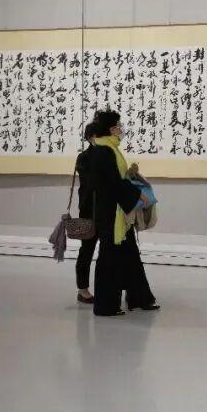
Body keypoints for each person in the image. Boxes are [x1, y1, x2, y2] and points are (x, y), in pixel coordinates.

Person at [86, 110, 158, 317]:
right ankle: (105, 306)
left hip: (116, 214)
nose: (121, 129)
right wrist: (138, 194)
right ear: (111, 129)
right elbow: (114, 184)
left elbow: (118, 179)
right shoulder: (104, 151)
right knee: (109, 259)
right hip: (111, 215)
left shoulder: (109, 149)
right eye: (118, 126)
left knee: (131, 256)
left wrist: (132, 177)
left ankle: (139, 299)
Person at [74, 122, 98, 305]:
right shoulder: (83, 157)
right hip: (88, 210)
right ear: (90, 138)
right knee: (87, 250)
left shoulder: (109, 155)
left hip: (107, 211)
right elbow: (91, 182)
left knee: (110, 251)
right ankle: (83, 289)